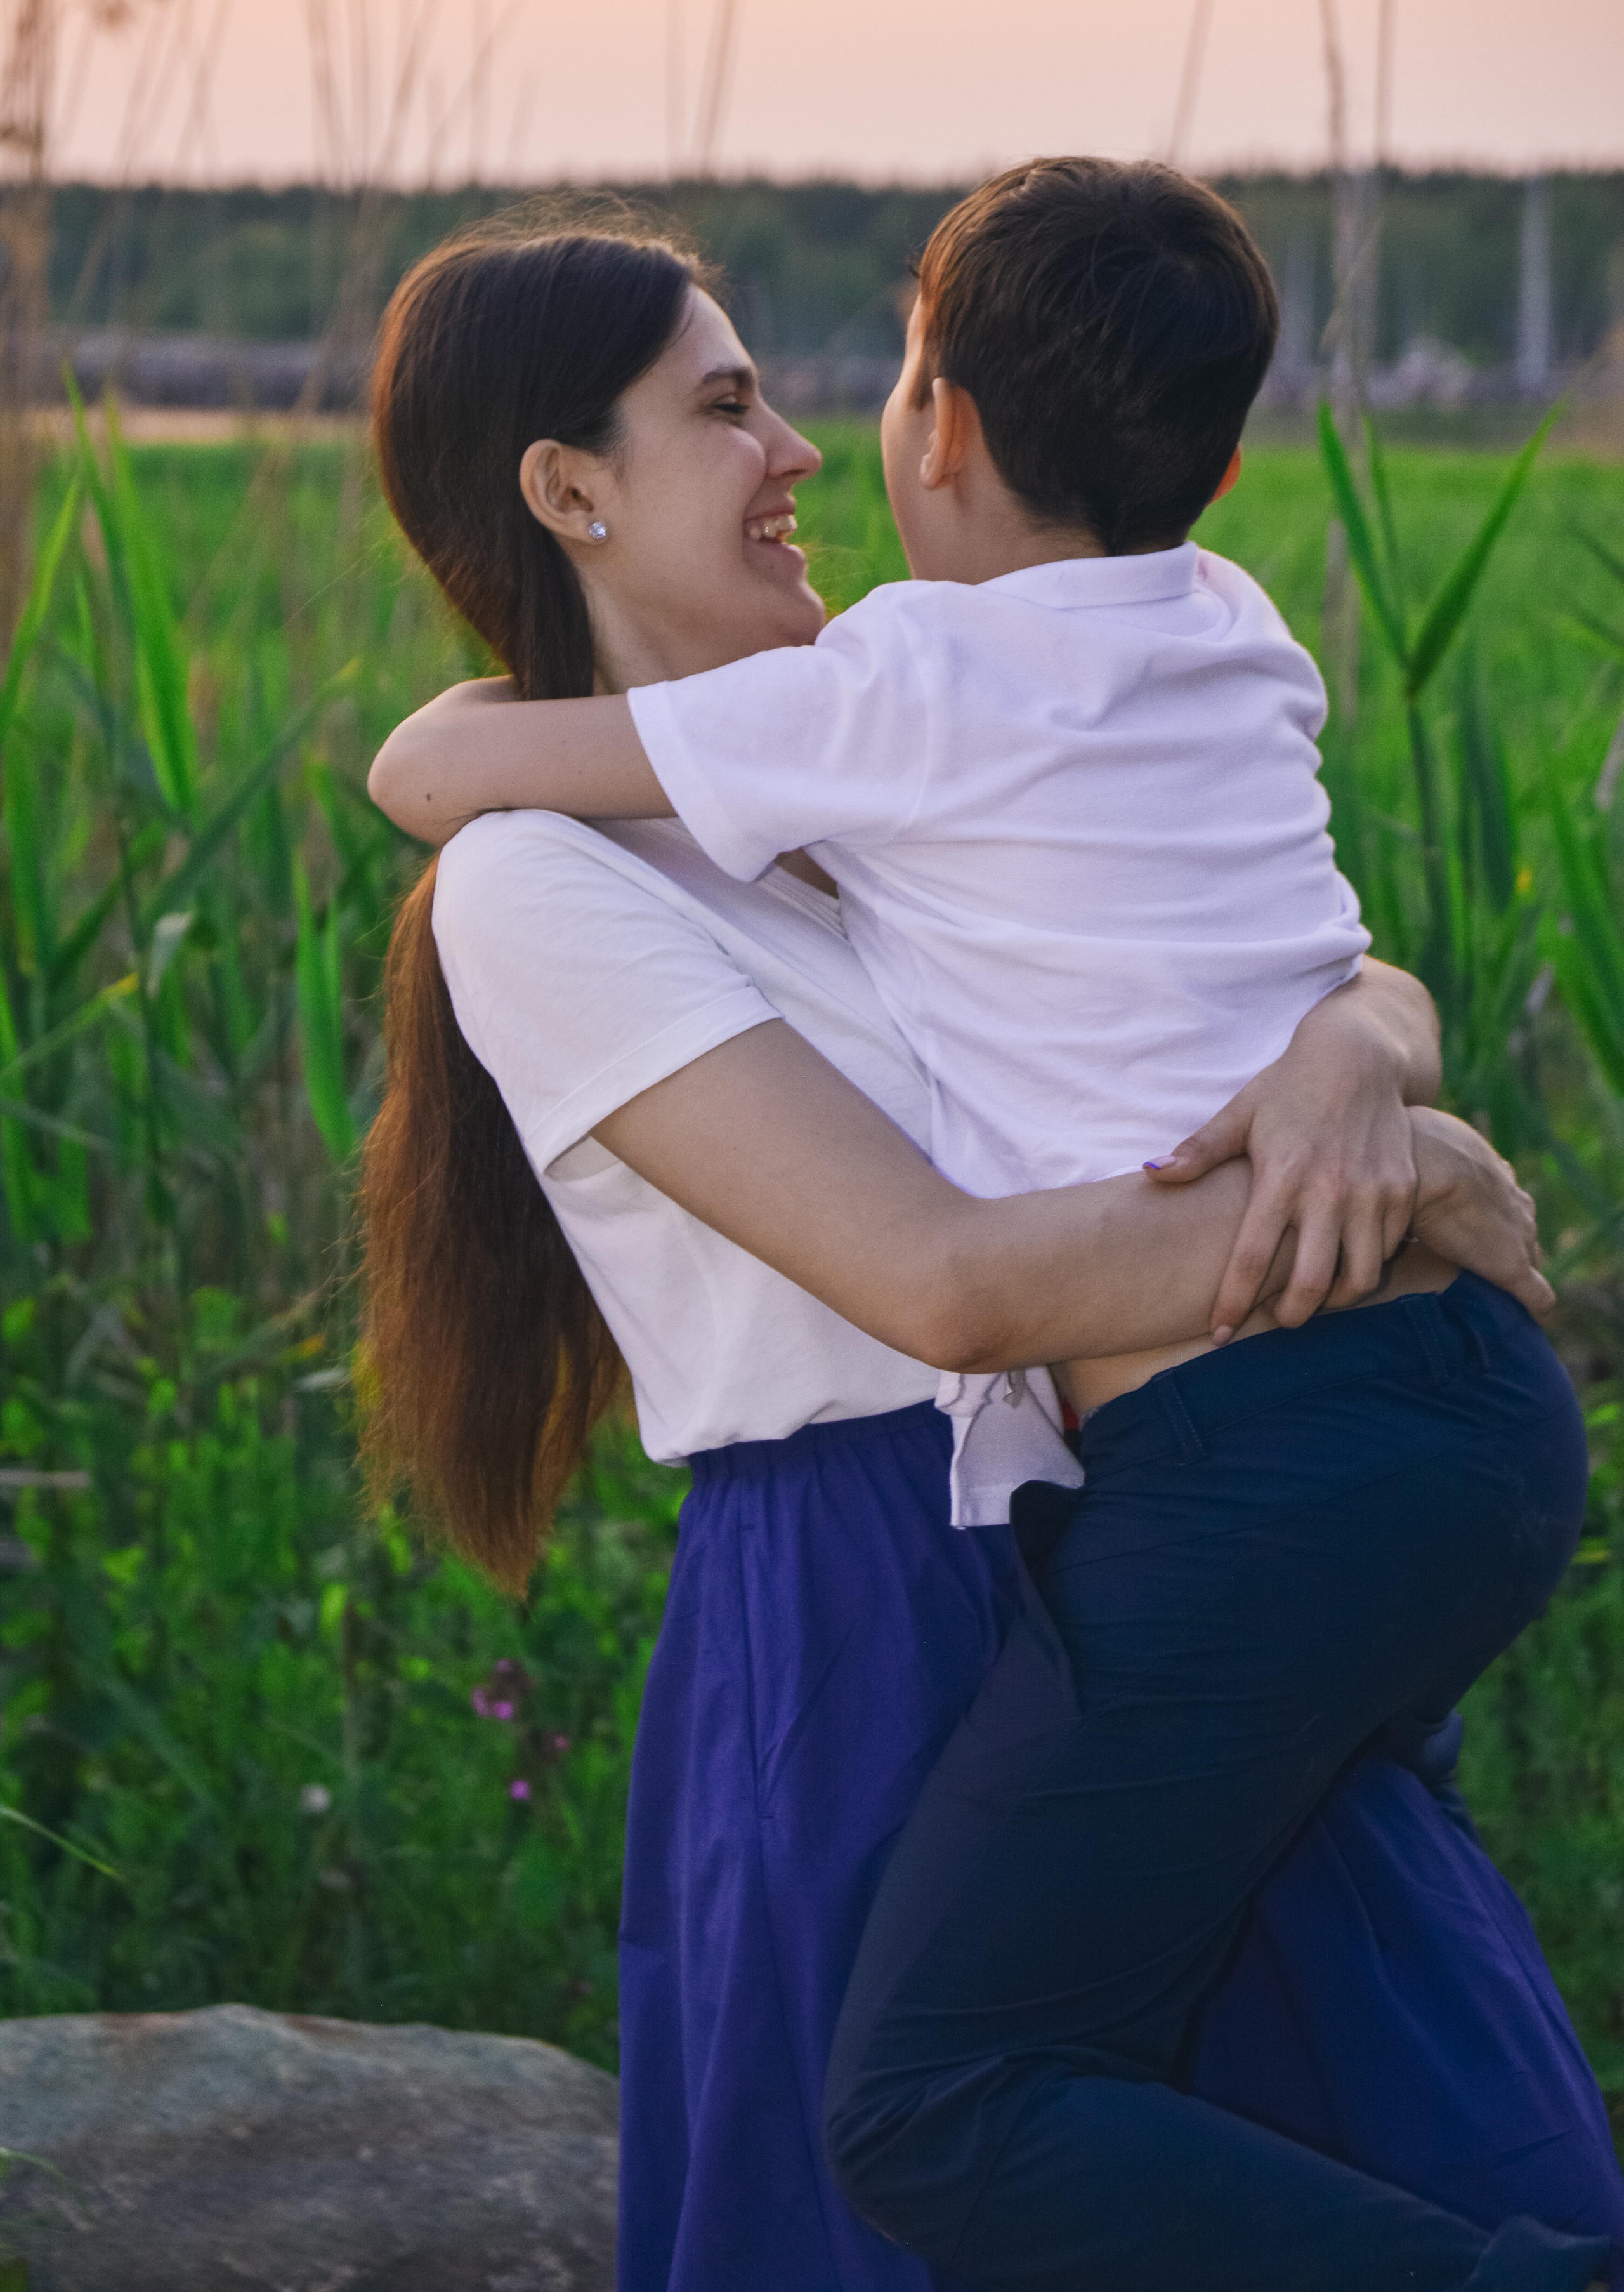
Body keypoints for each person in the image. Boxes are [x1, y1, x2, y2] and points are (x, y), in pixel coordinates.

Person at [362, 214, 1620, 2292]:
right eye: (724, 404)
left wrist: (1372, 1062)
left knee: (1405, 2146)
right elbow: (942, 1276)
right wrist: (1408, 1188)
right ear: (568, 489)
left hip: (1155, 1539)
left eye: (782, 390)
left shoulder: (903, 749)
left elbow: (1282, 971)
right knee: (947, 2171)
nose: (801, 448)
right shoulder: (540, 884)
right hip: (883, 1608)